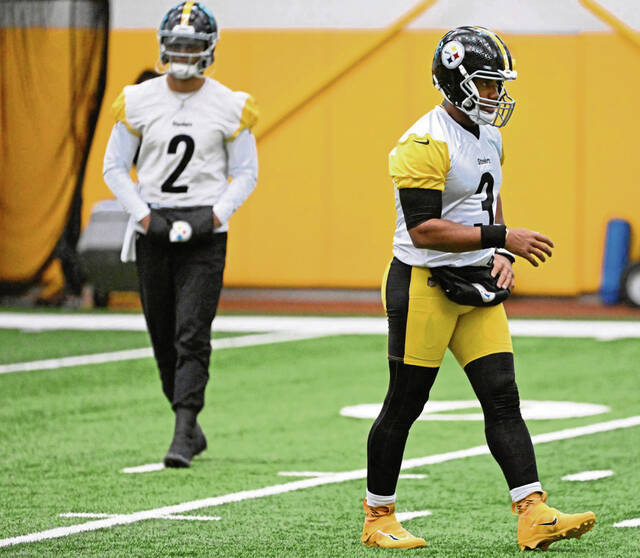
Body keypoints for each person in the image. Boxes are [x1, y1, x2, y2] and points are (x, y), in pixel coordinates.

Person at [361, 26, 595, 550]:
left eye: (497, 84)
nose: (496, 94)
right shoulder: (423, 141)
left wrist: (503, 253)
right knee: (405, 403)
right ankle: (378, 516)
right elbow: (424, 228)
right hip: (423, 283)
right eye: (487, 84)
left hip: (475, 282)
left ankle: (533, 513)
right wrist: (501, 237)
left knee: (502, 397)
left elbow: (490, 203)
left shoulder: (491, 136)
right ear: (455, 80)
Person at [103, 1, 258, 468]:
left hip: (205, 229)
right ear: (162, 45)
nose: (184, 51)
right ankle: (189, 424)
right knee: (162, 333)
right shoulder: (138, 99)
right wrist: (142, 215)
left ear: (209, 48)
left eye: (192, 44)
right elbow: (114, 167)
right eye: (177, 43)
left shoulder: (229, 104)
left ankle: (183, 429)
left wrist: (216, 214)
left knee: (192, 331)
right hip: (154, 222)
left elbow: (247, 172)